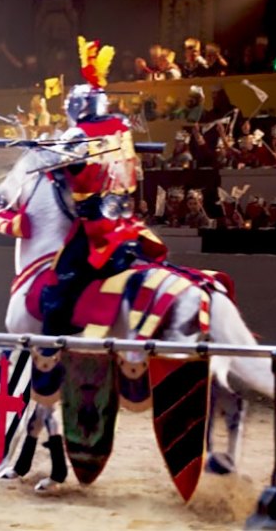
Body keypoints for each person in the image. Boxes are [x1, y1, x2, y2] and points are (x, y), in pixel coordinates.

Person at [34, 39, 167, 335]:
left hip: (96, 229)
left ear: (79, 107)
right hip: (128, 223)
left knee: (61, 284)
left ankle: (55, 343)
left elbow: (44, 165)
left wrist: (39, 145)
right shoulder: (121, 128)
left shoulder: (77, 135)